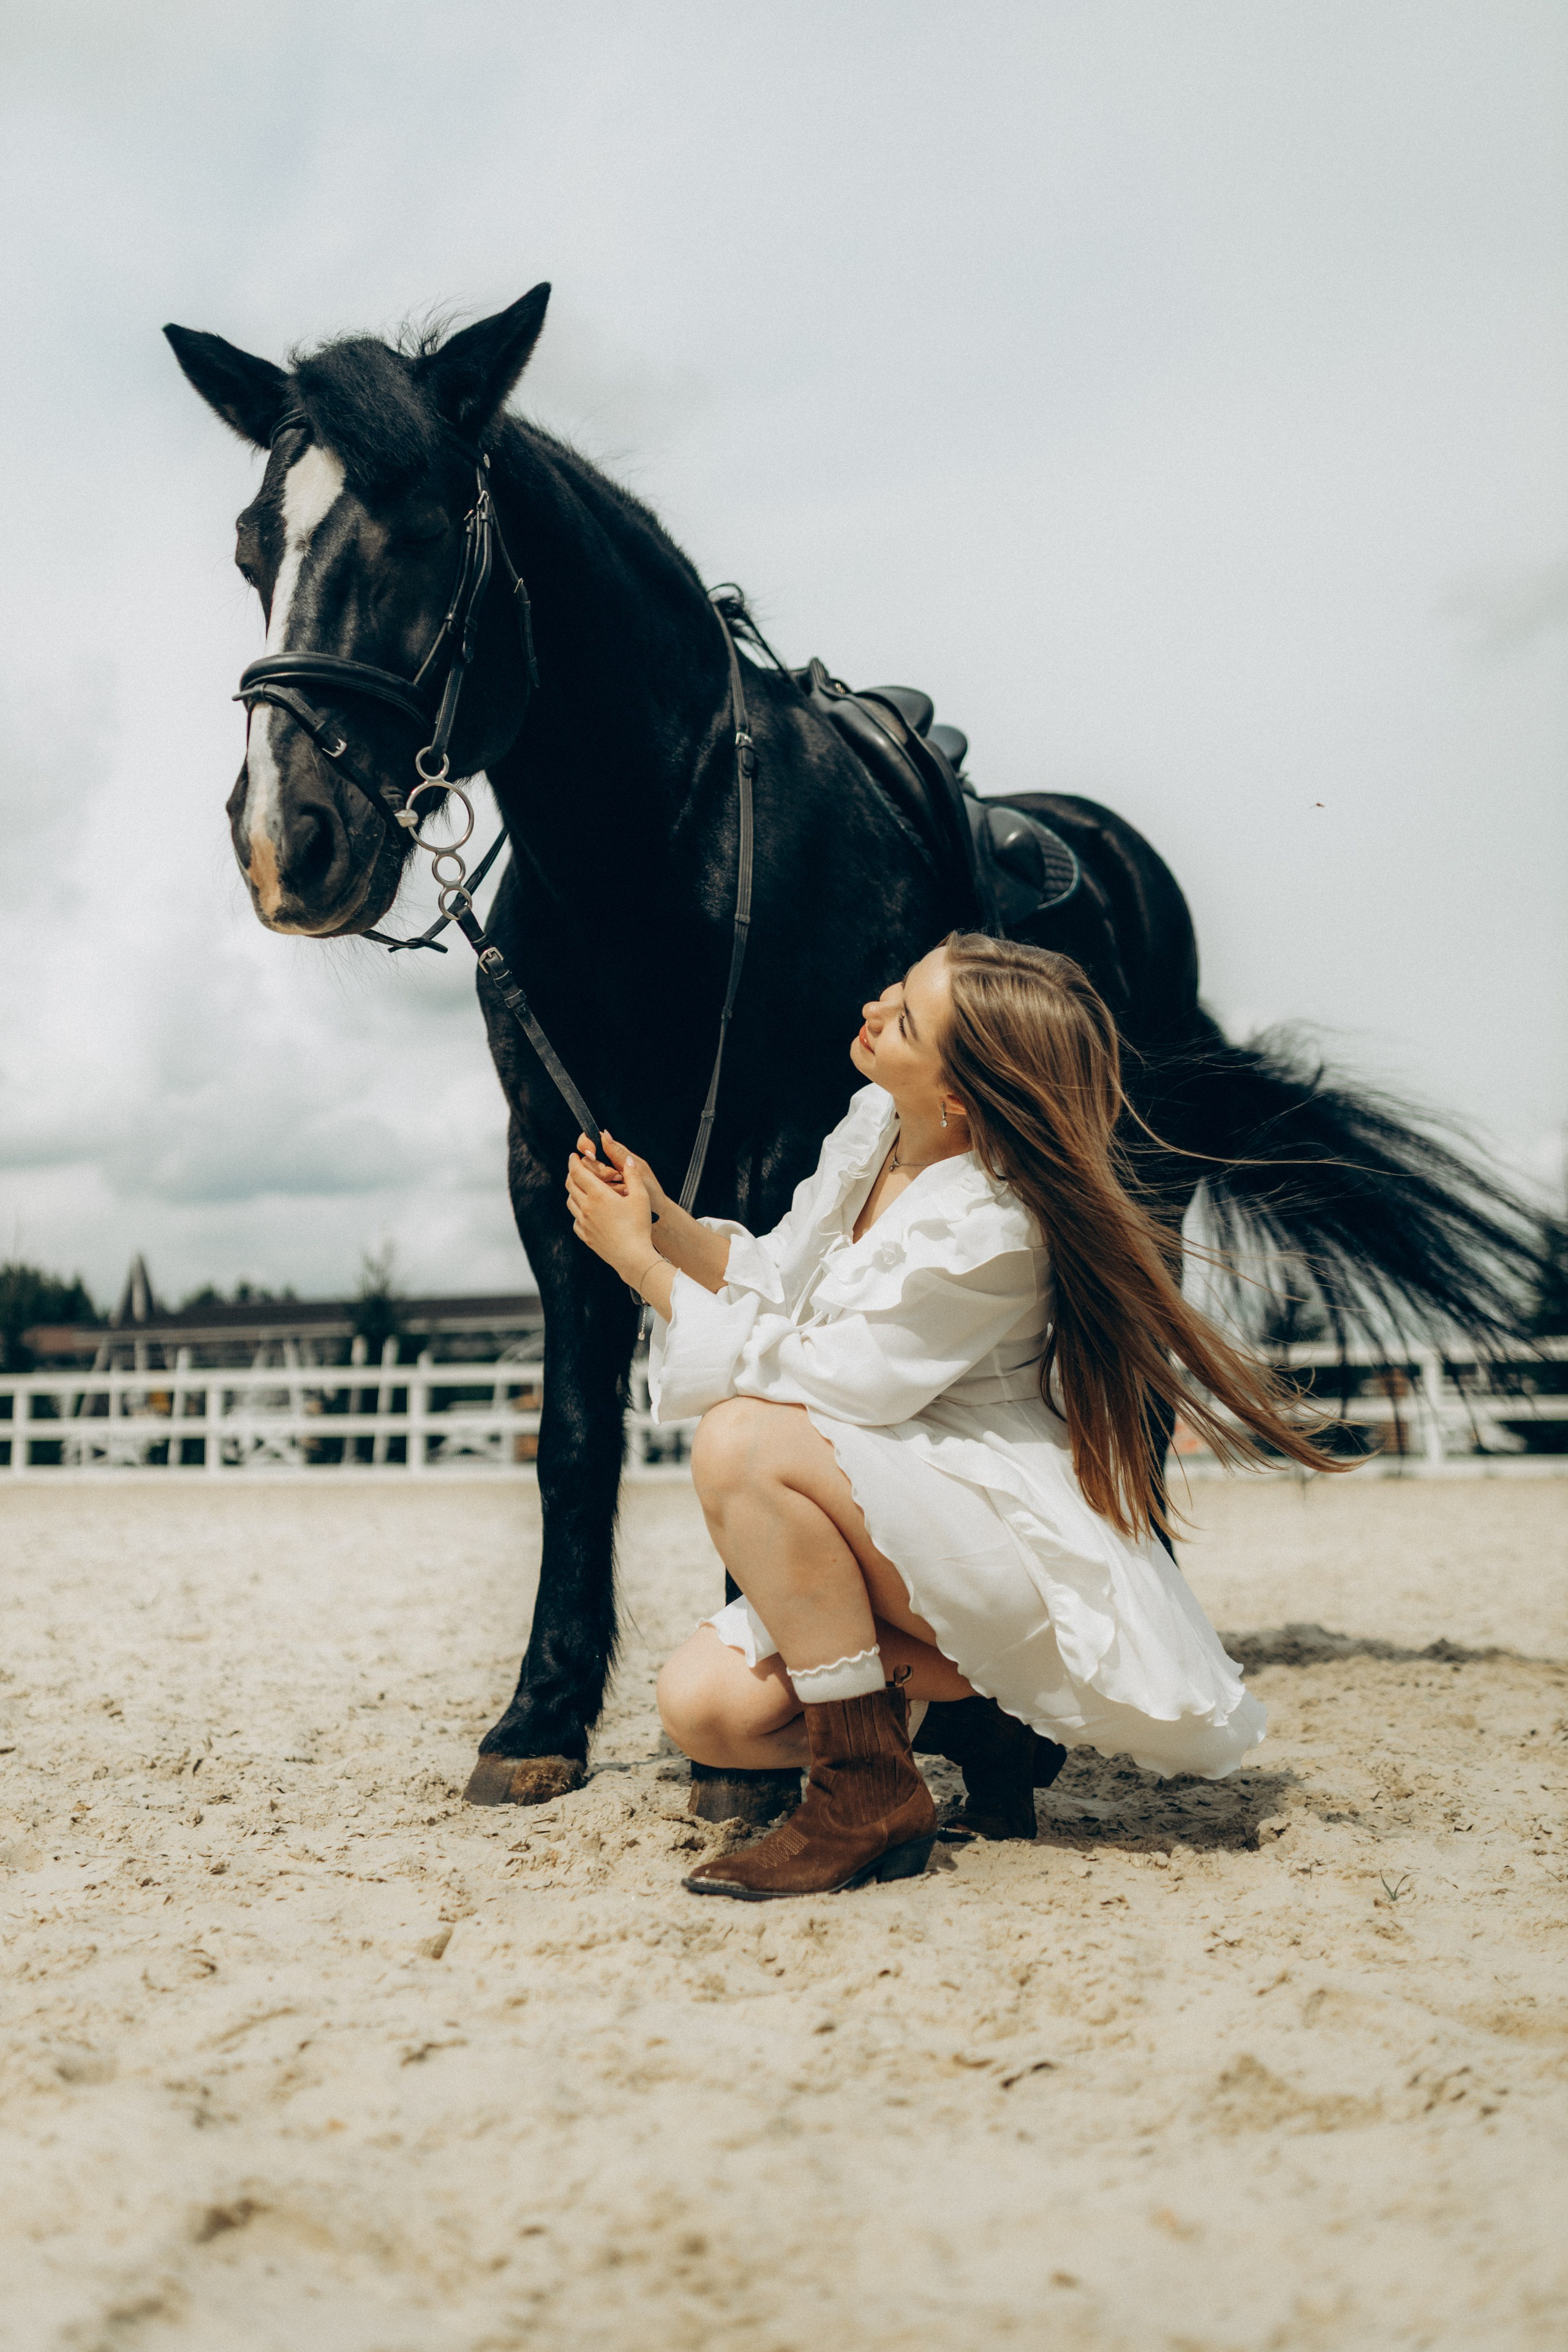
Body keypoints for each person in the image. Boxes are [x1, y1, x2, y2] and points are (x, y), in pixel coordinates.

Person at [564, 933, 1340, 1901]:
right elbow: (780, 1281)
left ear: (962, 1097)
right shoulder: (878, 1127)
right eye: (896, 986)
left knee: (744, 1438)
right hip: (903, 1504)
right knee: (706, 1712)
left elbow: (832, 1381)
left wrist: (641, 1269)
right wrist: (664, 1221)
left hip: (995, 1533)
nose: (875, 1008)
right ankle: (984, 1720)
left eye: (907, 1017)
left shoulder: (994, 1226)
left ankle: (863, 1794)